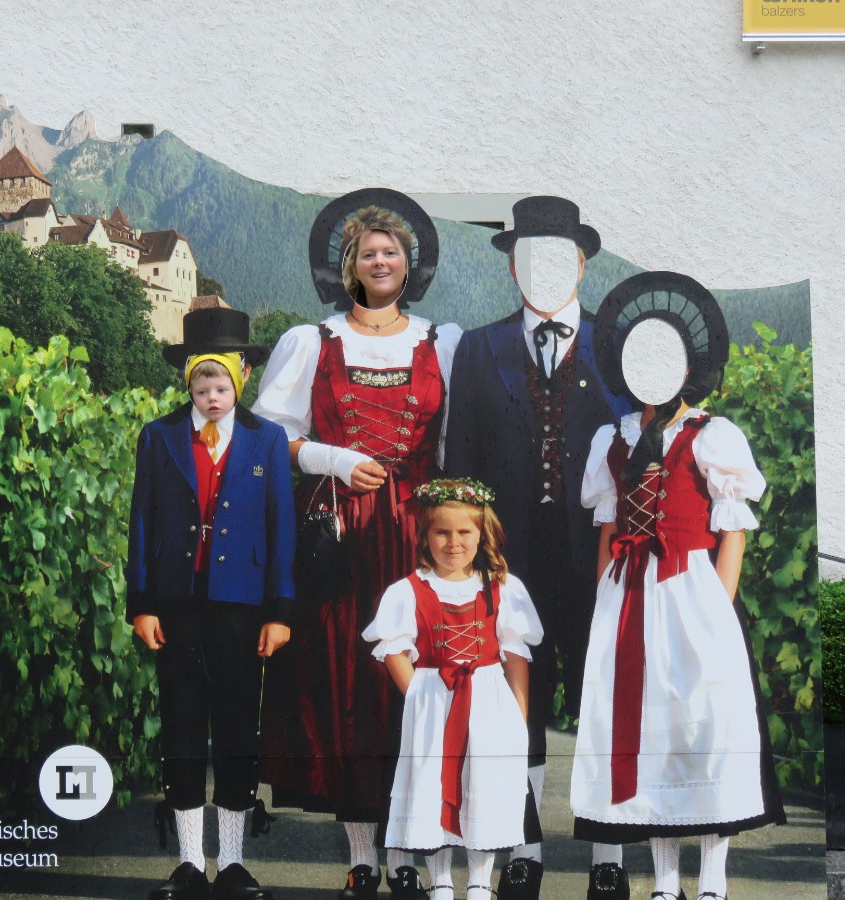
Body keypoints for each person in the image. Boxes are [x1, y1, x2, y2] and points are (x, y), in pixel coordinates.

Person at [252, 189, 462, 900]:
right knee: (346, 686)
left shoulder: (443, 342)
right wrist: (333, 460)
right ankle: (364, 857)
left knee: (411, 687)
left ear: (409, 266)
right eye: (367, 252)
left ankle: (408, 853)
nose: (379, 260)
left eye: (390, 252)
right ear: (350, 267)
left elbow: (459, 440)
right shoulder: (312, 341)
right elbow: (269, 434)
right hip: (340, 537)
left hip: (419, 539)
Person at [571, 271, 785, 900]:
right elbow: (607, 532)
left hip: (692, 590)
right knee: (647, 732)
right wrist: (605, 601)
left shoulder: (712, 435)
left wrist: (716, 608)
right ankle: (665, 881)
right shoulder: (612, 439)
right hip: (627, 597)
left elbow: (732, 530)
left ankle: (712, 879)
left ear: (687, 364)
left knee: (705, 727)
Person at [444, 196, 631, 900]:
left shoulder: (616, 350)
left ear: (581, 264)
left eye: (557, 257)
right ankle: (524, 849)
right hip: (508, 558)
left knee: (601, 702)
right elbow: (460, 461)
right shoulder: (480, 347)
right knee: (513, 707)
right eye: (529, 258)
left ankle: (608, 858)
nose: (544, 270)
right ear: (513, 269)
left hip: (601, 559)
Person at [126, 307, 297, 900]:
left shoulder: (267, 440)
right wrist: (141, 604)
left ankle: (234, 862)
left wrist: (279, 611)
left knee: (234, 729)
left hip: (241, 609)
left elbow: (281, 529)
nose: (212, 395)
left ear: (241, 378)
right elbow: (141, 525)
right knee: (180, 727)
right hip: (176, 605)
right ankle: (189, 863)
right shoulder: (158, 436)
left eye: (222, 384)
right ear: (188, 385)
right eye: (202, 385)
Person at [362, 478, 543, 900]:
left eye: (465, 532)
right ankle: (441, 881)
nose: (453, 542)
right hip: (433, 701)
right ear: (424, 535)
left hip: (487, 701)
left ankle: (480, 882)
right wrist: (420, 697)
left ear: (483, 534)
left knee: (485, 785)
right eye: (442, 532)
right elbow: (392, 650)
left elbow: (515, 655)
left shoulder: (503, 587)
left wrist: (518, 716)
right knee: (433, 786)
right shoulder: (406, 590)